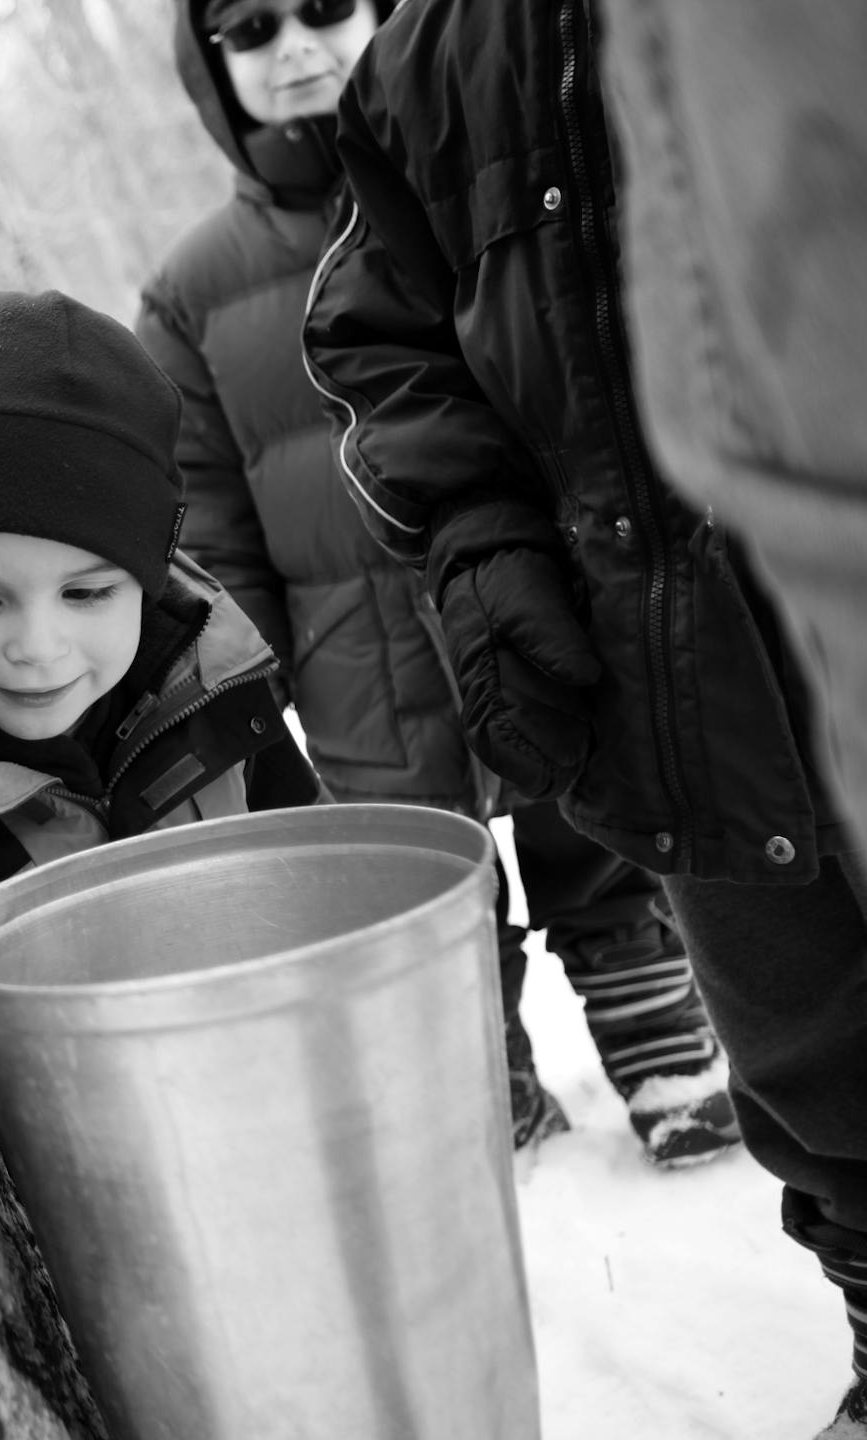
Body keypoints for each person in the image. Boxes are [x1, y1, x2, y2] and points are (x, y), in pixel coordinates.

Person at [301, 0, 867, 1427]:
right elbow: (387, 342)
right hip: (678, 673)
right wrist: (484, 542)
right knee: (810, 1048)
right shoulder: (429, 65)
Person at [132, 0, 737, 1168]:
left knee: (599, 838)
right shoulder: (191, 290)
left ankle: (665, 1049)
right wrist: (241, 683)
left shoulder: (487, 185)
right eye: (251, 29)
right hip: (359, 658)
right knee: (423, 883)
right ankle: (478, 1075)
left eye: (320, 8)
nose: (295, 47)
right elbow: (203, 512)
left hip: (538, 597)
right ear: (214, 68)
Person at [0, 288, 320, 926]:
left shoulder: (217, 688)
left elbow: (315, 879)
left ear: (148, 576)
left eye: (85, 593)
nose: (39, 646)